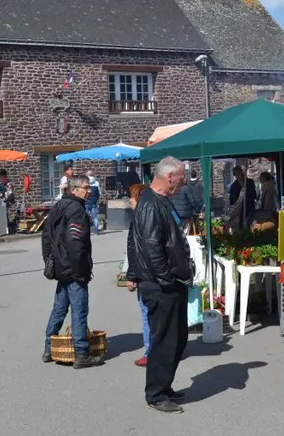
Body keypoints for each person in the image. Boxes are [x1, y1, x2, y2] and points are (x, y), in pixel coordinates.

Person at [127, 156, 194, 414]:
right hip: (160, 285)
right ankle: (155, 394)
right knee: (164, 341)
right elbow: (151, 247)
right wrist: (166, 279)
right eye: (180, 177)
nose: (183, 181)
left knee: (176, 339)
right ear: (168, 177)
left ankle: (164, 387)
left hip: (169, 281)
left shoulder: (160, 201)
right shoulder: (150, 204)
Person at [42, 175, 103, 369]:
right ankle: (82, 353)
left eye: (89, 187)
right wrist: (80, 271)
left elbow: (45, 236)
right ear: (74, 189)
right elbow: (76, 242)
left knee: (59, 308)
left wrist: (50, 261)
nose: (89, 190)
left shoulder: (59, 206)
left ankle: (48, 348)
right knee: (79, 310)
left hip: (61, 267)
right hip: (73, 269)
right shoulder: (76, 209)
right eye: (85, 187)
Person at [124, 184, 151, 367]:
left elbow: (135, 250)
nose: (129, 201)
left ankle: (150, 352)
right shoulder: (148, 215)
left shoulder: (139, 218)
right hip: (150, 272)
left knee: (147, 312)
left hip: (145, 273)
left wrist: (132, 276)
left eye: (131, 197)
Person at [229, 166, 257, 231]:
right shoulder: (234, 185)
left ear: (242, 172)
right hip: (239, 211)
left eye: (240, 172)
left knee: (251, 225)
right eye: (236, 173)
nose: (239, 175)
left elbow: (254, 195)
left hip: (250, 208)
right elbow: (232, 200)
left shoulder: (250, 182)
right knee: (240, 227)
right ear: (235, 175)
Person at [85, 170, 101, 235]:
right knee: (95, 217)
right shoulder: (96, 183)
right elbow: (99, 192)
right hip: (94, 202)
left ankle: (86, 231)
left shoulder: (85, 182)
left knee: (85, 217)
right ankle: (96, 231)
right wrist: (96, 199)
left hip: (86, 201)